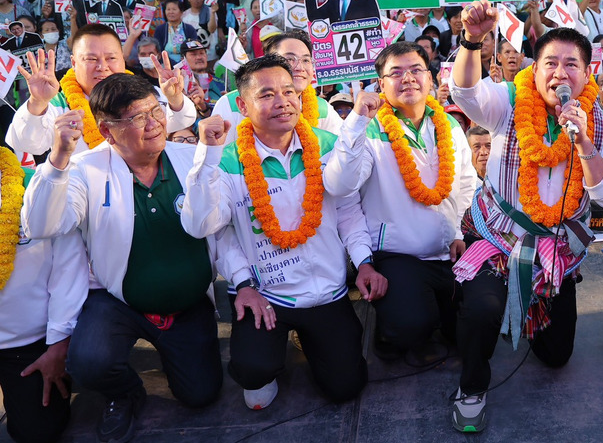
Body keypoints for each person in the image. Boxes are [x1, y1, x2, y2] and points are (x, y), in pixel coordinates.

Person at [449, 6, 603, 432]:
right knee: (482, 310)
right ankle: (471, 386)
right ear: (536, 67)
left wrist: (583, 143)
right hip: (497, 238)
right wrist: (471, 41)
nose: (560, 73)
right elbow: (465, 93)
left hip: (555, 252)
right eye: (551, 63)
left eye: (571, 64)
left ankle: (529, 309)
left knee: (556, 355)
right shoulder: (508, 101)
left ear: (588, 73)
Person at [22, 74, 223, 443]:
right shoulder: (84, 168)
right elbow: (41, 225)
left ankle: (179, 355)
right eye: (136, 118)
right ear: (107, 130)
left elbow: (219, 224)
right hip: (118, 300)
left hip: (188, 304)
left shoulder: (189, 158)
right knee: (89, 362)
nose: (154, 124)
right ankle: (125, 393)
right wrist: (59, 158)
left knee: (201, 394)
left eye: (155, 111)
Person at [181, 56, 386, 410]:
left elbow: (348, 208)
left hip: (327, 291)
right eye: (267, 94)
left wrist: (364, 261)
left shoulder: (327, 144)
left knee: (346, 386)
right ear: (242, 105)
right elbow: (207, 227)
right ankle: (268, 362)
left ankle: (312, 340)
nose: (282, 102)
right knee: (252, 370)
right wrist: (243, 284)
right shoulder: (226, 159)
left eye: (289, 91)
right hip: (266, 295)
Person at [323, 42, 476, 361]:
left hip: (446, 252)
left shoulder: (448, 125)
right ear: (380, 84)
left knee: (473, 324)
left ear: (430, 79)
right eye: (396, 72)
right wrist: (356, 121)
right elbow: (340, 185)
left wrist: (458, 232)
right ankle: (392, 332)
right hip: (396, 256)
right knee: (411, 326)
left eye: (416, 70)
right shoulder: (368, 128)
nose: (407, 78)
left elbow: (465, 183)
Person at [0, 145, 86, 443]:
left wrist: (59, 344)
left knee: (37, 432)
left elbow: (68, 270)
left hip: (26, 344)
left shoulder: (39, 187)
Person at [7, 24, 196, 159]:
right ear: (73, 63)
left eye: (111, 58)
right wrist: (37, 102)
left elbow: (182, 120)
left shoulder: (145, 94)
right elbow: (26, 144)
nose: (102, 67)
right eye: (91, 59)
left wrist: (175, 98)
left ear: (122, 59)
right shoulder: (56, 106)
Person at [211, 30, 341, 143]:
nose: (300, 67)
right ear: (269, 62)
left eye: (306, 60)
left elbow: (343, 153)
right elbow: (217, 158)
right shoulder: (230, 104)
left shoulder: (323, 109)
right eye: (290, 59)